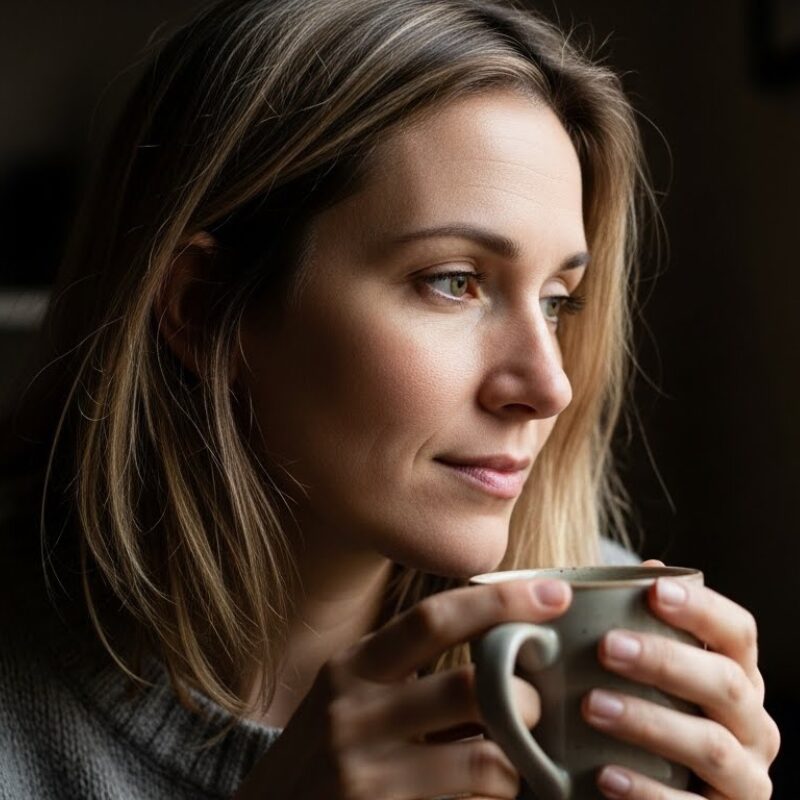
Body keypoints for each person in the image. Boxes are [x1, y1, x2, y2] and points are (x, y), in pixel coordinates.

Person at [0, 0, 779, 798]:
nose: (549, 386)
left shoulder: (605, 647)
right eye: (455, 283)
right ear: (203, 310)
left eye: (557, 299)